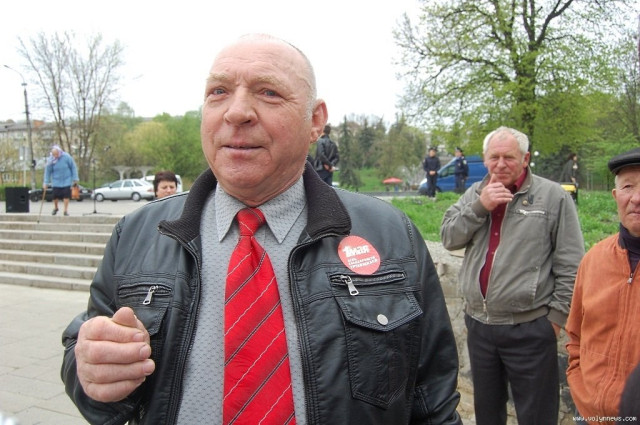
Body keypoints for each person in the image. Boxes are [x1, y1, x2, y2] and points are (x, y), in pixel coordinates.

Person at [61, 34, 462, 425]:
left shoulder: (391, 235)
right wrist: (91, 374)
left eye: (268, 92)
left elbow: (433, 403)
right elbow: (92, 370)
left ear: (315, 121)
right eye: (218, 91)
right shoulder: (137, 235)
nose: (236, 112)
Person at [440, 126, 584, 425]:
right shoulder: (475, 193)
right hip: (480, 327)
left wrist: (554, 321)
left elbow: (571, 263)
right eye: (494, 157)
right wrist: (481, 206)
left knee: (537, 416)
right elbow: (449, 238)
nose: (501, 164)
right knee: (487, 415)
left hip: (530, 328)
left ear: (525, 158)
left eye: (509, 157)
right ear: (485, 158)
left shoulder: (552, 197)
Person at [565, 147, 640, 425]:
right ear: (615, 195)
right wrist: (581, 388)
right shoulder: (594, 259)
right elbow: (575, 335)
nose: (637, 198)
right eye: (628, 187)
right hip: (590, 414)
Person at [43, 145, 79, 216]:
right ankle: (56, 207)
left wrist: (75, 178)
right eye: (54, 154)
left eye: (56, 154)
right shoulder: (51, 160)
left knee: (66, 195)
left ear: (59, 152)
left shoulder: (66, 157)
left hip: (67, 179)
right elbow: (48, 172)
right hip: (56, 180)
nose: (55, 156)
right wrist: (46, 182)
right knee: (55, 196)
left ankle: (65, 210)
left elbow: (73, 167)